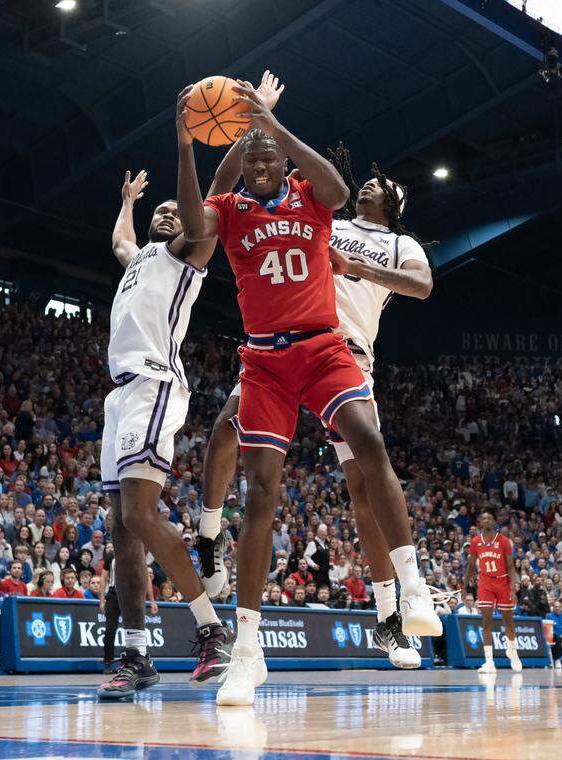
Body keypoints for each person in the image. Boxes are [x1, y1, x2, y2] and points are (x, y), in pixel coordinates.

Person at [175, 76, 439, 706]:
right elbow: (209, 208)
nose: (370, 189)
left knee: (363, 470)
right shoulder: (263, 208)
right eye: (256, 157)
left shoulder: (385, 235)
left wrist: (268, 125)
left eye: (384, 187)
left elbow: (417, 283)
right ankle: (222, 577)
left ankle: (402, 598)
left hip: (339, 347)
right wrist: (236, 131)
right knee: (241, 455)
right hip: (268, 355)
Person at [96, 157, 232, 701]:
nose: (170, 213)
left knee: (139, 513)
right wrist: (128, 203)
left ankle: (211, 630)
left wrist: (187, 144)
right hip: (119, 394)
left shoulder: (185, 257)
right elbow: (119, 245)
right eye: (163, 210)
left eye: (179, 210)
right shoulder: (140, 260)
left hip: (153, 383)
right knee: (122, 531)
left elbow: (209, 209)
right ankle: (136, 653)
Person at [465, 511, 521, 673]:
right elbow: (470, 565)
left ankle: (512, 651)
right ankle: (489, 662)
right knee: (486, 622)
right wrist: (464, 586)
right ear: (480, 522)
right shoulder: (476, 542)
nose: (486, 520)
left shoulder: (504, 541)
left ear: (494, 521)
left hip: (503, 581)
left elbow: (511, 566)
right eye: (483, 518)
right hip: (485, 582)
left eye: (489, 518)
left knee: (508, 620)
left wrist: (512, 588)